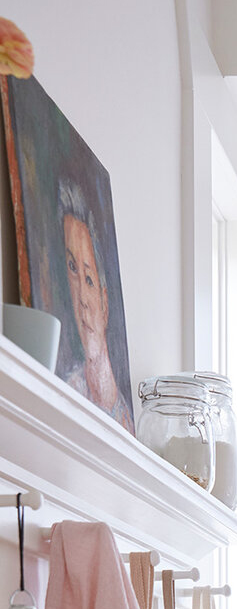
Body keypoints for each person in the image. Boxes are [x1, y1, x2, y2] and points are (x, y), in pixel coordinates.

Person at [58, 179, 133, 431]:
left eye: (89, 280)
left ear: (105, 301)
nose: (81, 298)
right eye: (72, 269)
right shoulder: (67, 394)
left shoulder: (128, 425)